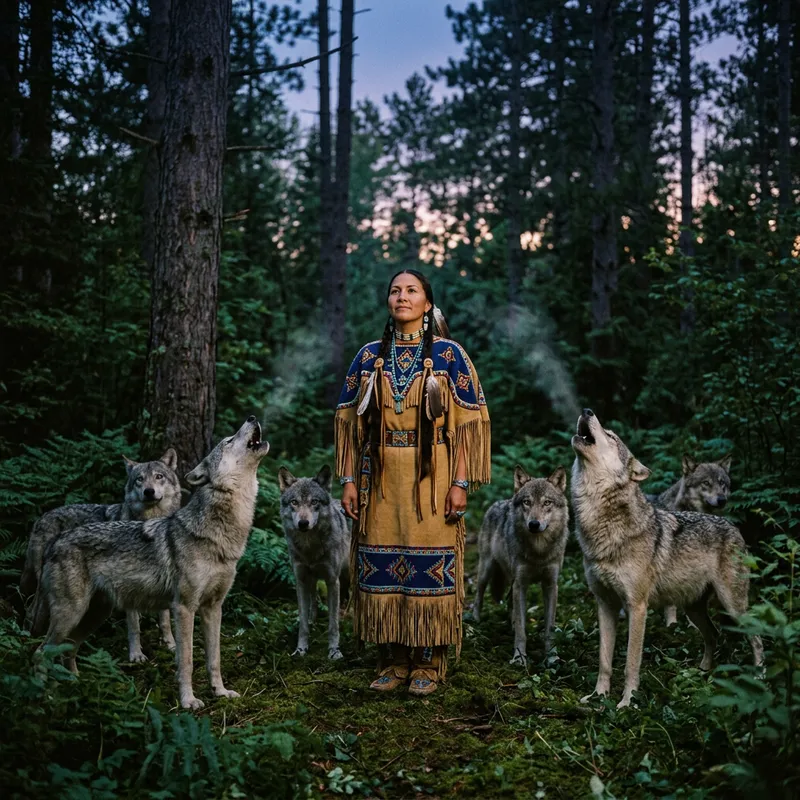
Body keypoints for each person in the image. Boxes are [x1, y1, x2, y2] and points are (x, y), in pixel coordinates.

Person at [335, 269, 490, 696]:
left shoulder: (449, 355)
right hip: (380, 477)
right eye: (395, 290)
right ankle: (393, 657)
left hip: (433, 477)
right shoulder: (369, 357)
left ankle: (429, 660)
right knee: (381, 564)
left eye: (411, 290)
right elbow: (348, 422)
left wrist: (460, 482)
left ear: (427, 303)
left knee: (428, 562)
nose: (401, 296)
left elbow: (470, 424)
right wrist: (348, 479)